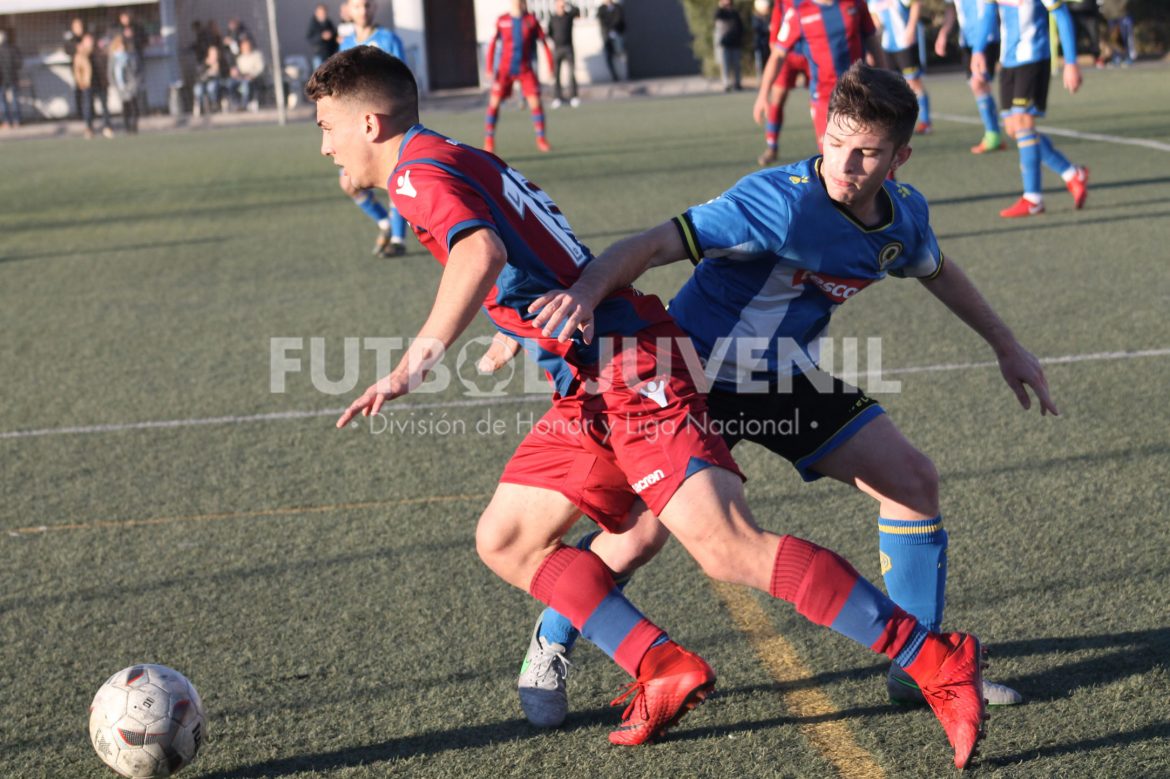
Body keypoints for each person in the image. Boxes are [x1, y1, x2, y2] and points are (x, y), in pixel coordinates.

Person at [307, 47, 987, 769]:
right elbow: (528, 254)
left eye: (326, 126)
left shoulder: (414, 174)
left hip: (635, 364)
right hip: (598, 368)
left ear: (371, 123)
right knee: (506, 538)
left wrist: (415, 363)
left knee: (724, 545)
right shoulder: (453, 155)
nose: (324, 145)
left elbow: (479, 254)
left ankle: (932, 656)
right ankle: (659, 665)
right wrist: (521, 329)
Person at [510, 58, 1043, 730]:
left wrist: (1006, 345)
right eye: (836, 141)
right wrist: (586, 293)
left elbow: (936, 269)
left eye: (867, 153)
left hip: (783, 377)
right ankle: (551, 640)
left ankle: (924, 668)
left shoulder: (902, 217)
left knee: (911, 479)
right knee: (637, 534)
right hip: (692, 382)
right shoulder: (776, 201)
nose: (846, 163)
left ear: (900, 156)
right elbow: (650, 245)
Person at [970, 0, 1089, 217]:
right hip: (1008, 60)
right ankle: (1073, 174)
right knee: (1014, 129)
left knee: (1024, 123)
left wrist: (1071, 62)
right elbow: (987, 14)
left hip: (1034, 57)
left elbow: (1061, 14)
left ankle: (1033, 199)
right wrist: (978, 51)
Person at [754, 0, 881, 150]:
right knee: (832, 157)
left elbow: (872, 41)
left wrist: (886, 78)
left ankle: (888, 174)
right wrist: (763, 95)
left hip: (861, 90)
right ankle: (772, 144)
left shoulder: (855, 3)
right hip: (824, 98)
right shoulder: (798, 12)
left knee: (874, 150)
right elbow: (777, 55)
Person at [338, 0, 410, 257]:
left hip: (387, 124)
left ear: (374, 8)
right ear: (348, 9)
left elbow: (403, 81)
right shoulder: (345, 45)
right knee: (349, 183)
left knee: (393, 180)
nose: (363, 10)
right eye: (358, 6)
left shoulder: (389, 40)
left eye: (368, 5)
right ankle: (385, 223)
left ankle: (399, 239)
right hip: (355, 127)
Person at [935, 0, 1006, 154]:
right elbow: (951, 10)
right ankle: (994, 133)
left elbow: (992, 9)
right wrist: (944, 33)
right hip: (967, 40)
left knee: (978, 83)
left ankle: (993, 134)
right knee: (978, 86)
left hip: (987, 37)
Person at [484, 0, 554, 154]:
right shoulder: (502, 20)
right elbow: (493, 44)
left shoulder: (531, 20)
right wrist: (489, 67)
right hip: (504, 70)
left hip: (525, 69)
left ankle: (541, 139)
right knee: (494, 103)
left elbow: (544, 43)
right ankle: (489, 140)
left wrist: (550, 65)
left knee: (535, 103)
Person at [756, 0, 811, 166]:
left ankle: (827, 147)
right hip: (788, 55)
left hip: (814, 52)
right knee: (777, 97)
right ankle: (771, 147)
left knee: (823, 101)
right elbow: (775, 35)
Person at [869, 0, 932, 133]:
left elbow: (916, 4)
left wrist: (910, 27)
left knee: (913, 82)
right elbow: (874, 19)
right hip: (887, 45)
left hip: (905, 43)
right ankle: (895, 124)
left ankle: (925, 122)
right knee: (890, 85)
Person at [73, 32, 113, 139]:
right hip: (88, 84)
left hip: (101, 83)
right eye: (87, 41)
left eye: (91, 40)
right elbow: (77, 70)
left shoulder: (100, 52)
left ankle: (107, 127)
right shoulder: (80, 54)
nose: (90, 43)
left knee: (104, 106)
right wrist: (80, 82)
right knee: (88, 107)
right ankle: (89, 128)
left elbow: (106, 65)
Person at [548, 0, 579, 108]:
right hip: (557, 49)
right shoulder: (553, 18)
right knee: (556, 75)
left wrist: (568, 3)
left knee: (571, 73)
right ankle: (557, 97)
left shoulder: (569, 16)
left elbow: (577, 12)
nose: (561, 6)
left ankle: (573, 96)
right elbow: (549, 33)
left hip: (568, 48)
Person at [109, 31, 141, 134]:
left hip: (131, 85)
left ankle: (134, 126)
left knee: (134, 106)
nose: (122, 47)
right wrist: (115, 85)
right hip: (120, 87)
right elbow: (111, 73)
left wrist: (135, 83)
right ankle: (127, 127)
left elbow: (136, 70)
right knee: (125, 107)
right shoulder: (113, 59)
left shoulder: (130, 56)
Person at [714, 0, 745, 92]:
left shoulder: (735, 14)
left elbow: (740, 27)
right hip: (725, 44)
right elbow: (716, 16)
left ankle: (737, 83)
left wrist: (740, 38)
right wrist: (721, 6)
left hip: (735, 43)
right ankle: (726, 84)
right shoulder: (721, 13)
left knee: (736, 65)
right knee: (725, 65)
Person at [192, 43, 228, 116]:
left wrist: (217, 70)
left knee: (211, 87)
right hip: (203, 82)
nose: (214, 55)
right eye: (212, 54)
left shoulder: (221, 62)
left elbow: (225, 74)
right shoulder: (203, 63)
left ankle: (214, 105)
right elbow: (199, 75)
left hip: (217, 83)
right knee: (198, 89)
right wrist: (208, 72)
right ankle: (200, 106)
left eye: (216, 54)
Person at [233, 36, 266, 111]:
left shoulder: (257, 55)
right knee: (231, 84)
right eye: (244, 46)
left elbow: (260, 68)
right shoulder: (240, 58)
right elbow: (239, 70)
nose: (246, 48)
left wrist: (252, 75)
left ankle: (244, 105)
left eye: (247, 46)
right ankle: (236, 104)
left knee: (246, 84)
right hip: (242, 78)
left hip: (253, 79)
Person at [597, 0, 626, 82]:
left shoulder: (617, 7)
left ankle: (624, 75)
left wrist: (614, 29)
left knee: (620, 53)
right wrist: (609, 30)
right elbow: (601, 20)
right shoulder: (602, 9)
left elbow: (619, 19)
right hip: (607, 35)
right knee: (608, 56)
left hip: (617, 33)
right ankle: (615, 77)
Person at [1100, 0, 1135, 65]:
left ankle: (1127, 56)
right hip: (1110, 15)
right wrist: (1105, 11)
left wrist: (1121, 7)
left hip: (1122, 14)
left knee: (1124, 35)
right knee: (1113, 37)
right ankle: (1116, 57)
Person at [307, 4, 340, 71]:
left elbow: (334, 34)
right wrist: (321, 36)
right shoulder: (313, 24)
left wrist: (333, 37)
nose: (323, 15)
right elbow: (310, 38)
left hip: (329, 54)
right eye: (321, 13)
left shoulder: (328, 22)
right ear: (317, 13)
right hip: (319, 54)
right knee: (319, 74)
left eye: (324, 13)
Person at [0, 28, 22, 129]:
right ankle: (16, 121)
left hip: (3, 79)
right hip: (12, 77)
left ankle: (7, 121)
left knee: (2, 101)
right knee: (14, 100)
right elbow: (19, 63)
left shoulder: (11, 49)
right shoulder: (13, 48)